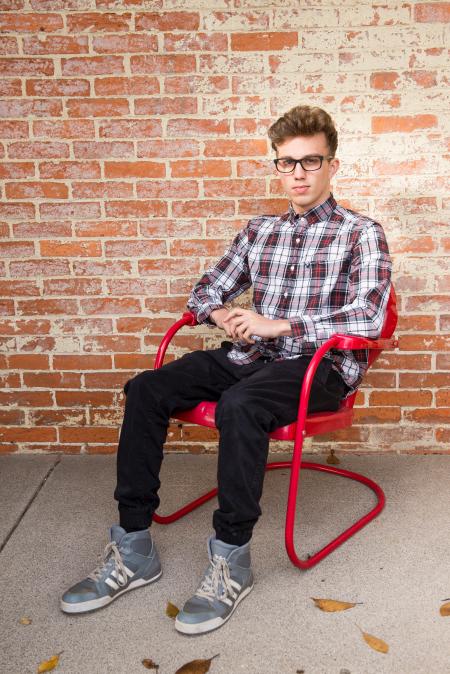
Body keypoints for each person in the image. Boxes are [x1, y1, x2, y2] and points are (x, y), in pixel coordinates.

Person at [61, 105, 392, 635]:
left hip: (318, 367)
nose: (299, 174)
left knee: (243, 406)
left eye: (311, 161)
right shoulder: (259, 230)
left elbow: (369, 316)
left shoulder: (361, 233)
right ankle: (132, 545)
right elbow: (206, 289)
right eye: (286, 163)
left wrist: (277, 325)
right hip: (249, 357)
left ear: (333, 165)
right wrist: (223, 315)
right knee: (146, 389)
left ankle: (231, 559)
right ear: (277, 167)